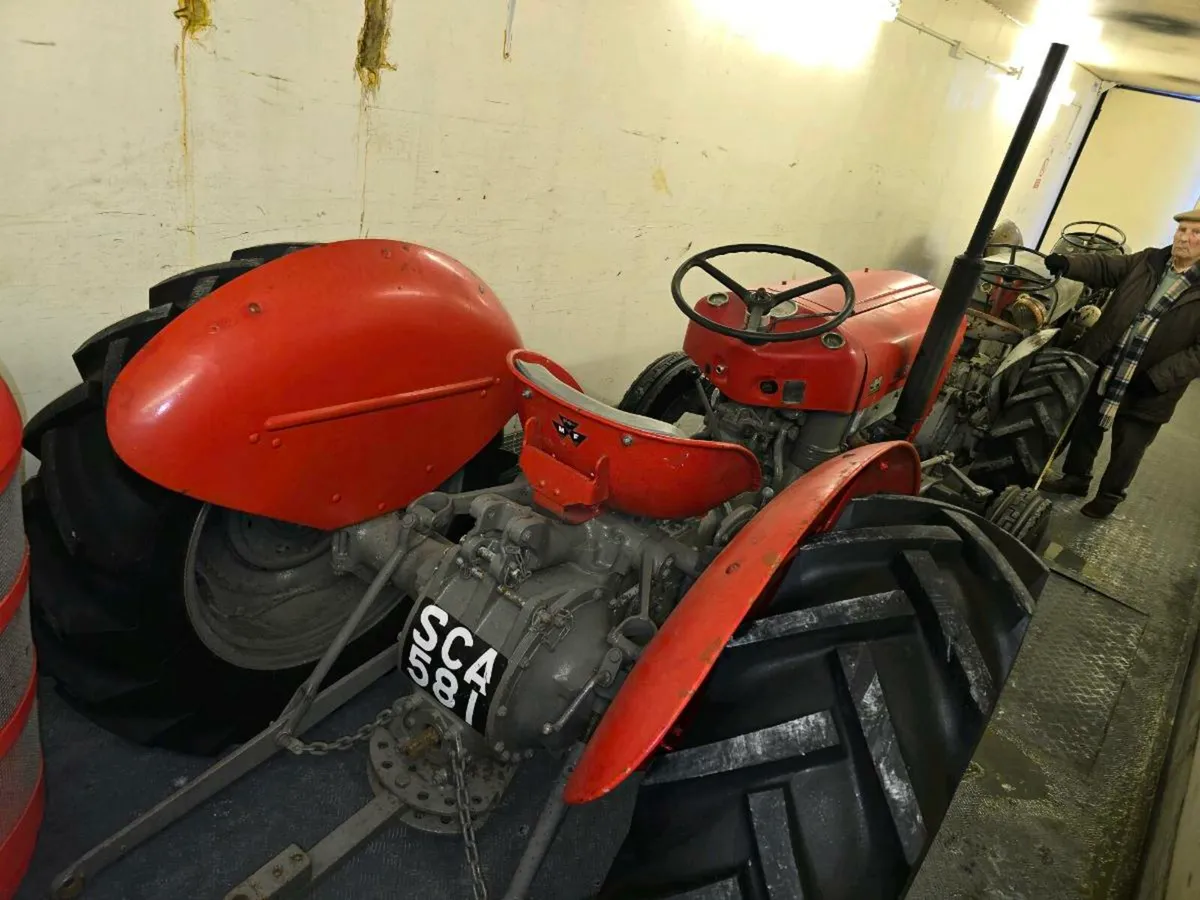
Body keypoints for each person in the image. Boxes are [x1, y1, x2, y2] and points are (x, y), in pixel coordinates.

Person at [1040, 208, 1200, 518]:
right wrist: (1069, 263)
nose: (1185, 238)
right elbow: (1105, 266)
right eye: (1182, 230)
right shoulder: (1149, 261)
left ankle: (1109, 497)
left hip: (1151, 383)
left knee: (1130, 444)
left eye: (1195, 234)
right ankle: (1076, 478)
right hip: (1110, 362)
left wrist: (1160, 378)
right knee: (1087, 423)